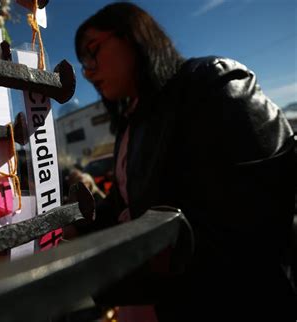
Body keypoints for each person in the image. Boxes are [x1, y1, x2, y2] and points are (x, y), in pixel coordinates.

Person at [73, 2, 295, 321]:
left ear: (133, 35)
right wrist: (79, 226)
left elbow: (259, 217)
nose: (87, 71)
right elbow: (130, 203)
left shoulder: (213, 82)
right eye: (82, 62)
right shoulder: (130, 122)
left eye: (92, 51)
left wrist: (109, 275)